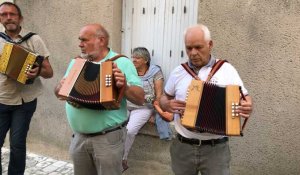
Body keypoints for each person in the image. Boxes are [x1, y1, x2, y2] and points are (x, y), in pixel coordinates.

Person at [160, 24, 253, 175]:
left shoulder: (227, 69)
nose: (193, 53)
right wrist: (167, 104)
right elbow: (164, 98)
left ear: (210, 45)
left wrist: (247, 107)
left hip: (216, 150)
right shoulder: (178, 72)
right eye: (189, 48)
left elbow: (246, 99)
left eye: (198, 47)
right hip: (183, 147)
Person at [54, 23, 144, 175]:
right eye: (79, 40)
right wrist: (60, 87)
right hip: (78, 138)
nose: (80, 44)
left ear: (101, 40)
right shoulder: (77, 63)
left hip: (107, 139)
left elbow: (140, 98)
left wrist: (125, 88)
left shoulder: (122, 62)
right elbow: (58, 93)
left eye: (84, 40)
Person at [0, 2, 53, 175]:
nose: (8, 18)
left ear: (20, 18)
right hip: (1, 99)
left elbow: (49, 72)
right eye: (4, 15)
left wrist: (36, 73)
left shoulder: (33, 39)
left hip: (25, 102)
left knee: (17, 144)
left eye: (12, 14)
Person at [122, 47, 172, 172]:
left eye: (137, 58)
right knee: (114, 127)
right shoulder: (129, 70)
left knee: (130, 130)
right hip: (126, 105)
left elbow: (159, 95)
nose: (133, 60)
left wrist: (155, 113)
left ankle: (122, 159)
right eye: (133, 57)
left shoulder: (155, 72)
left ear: (145, 60)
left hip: (144, 107)